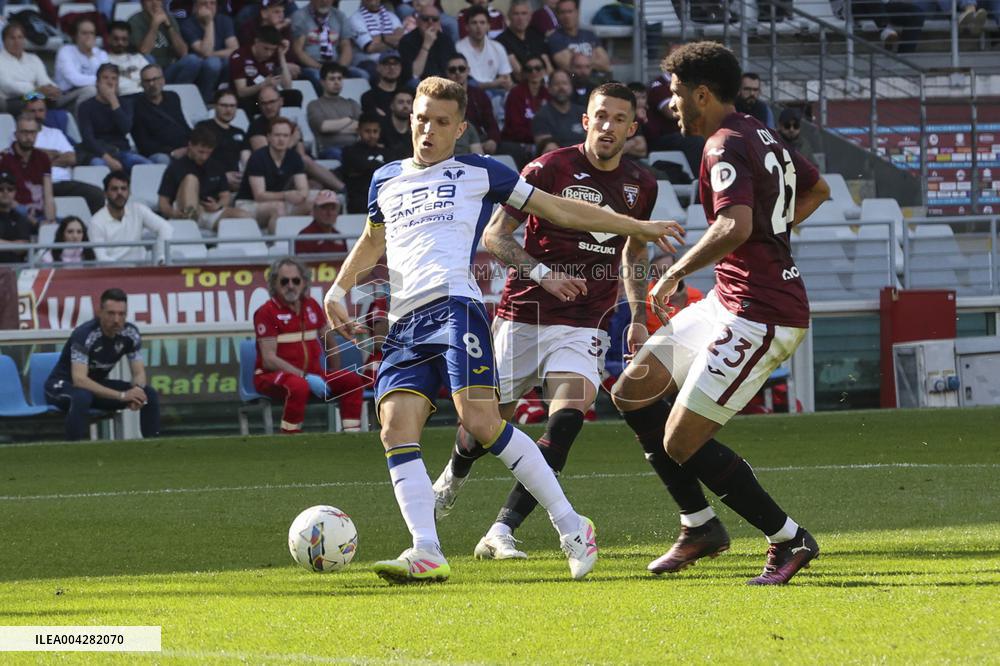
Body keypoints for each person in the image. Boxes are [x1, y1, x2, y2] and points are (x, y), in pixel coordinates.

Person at [321, 75, 683, 584]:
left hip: (455, 307)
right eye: (421, 119)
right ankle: (426, 549)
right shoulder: (385, 179)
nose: (428, 130)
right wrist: (338, 288)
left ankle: (571, 525)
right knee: (394, 427)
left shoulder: (478, 171)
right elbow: (370, 240)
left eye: (441, 122)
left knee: (482, 422)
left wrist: (637, 227)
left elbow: (557, 208)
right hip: (405, 320)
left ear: (460, 128)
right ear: (410, 119)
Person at [609, 41, 830, 585]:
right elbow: (817, 188)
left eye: (677, 95)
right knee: (633, 391)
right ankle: (700, 525)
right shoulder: (759, 129)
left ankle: (788, 538)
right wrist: (769, 237)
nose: (671, 106)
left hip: (761, 312)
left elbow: (732, 226)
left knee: (681, 440)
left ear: (701, 94)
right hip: (729, 299)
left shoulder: (723, 143)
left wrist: (673, 271)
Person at [431, 82, 658, 560]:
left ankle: (501, 530)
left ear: (632, 128)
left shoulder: (643, 184)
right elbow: (496, 237)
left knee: (567, 422)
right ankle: (455, 471)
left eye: (619, 119)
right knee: (481, 427)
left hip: (585, 323)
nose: (607, 126)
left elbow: (635, 252)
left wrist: (638, 315)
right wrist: (545, 274)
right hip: (525, 315)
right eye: (600, 115)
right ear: (585, 120)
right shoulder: (549, 167)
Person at [254, 256, 370, 433]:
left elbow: (330, 343)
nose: (290, 285)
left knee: (352, 381)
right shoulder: (266, 312)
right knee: (298, 386)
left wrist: (333, 373)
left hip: (312, 374)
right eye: (284, 281)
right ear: (274, 284)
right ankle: (290, 437)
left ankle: (352, 434)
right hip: (271, 377)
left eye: (296, 280)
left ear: (304, 282)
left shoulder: (311, 305)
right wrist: (305, 377)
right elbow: (269, 359)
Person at [44, 288, 161, 442]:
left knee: (148, 394)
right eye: (111, 313)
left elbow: (138, 372)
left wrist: (137, 393)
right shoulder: (85, 334)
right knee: (82, 396)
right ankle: (73, 450)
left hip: (95, 389)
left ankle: (153, 448)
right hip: (62, 386)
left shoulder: (131, 334)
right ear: (100, 312)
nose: (117, 320)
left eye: (121, 314)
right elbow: (80, 380)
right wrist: (123, 396)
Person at [246, 85, 343, 193]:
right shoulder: (256, 126)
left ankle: (343, 194)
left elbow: (300, 155)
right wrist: (291, 141)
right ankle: (344, 189)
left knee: (315, 186)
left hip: (292, 172)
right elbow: (266, 158)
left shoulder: (290, 125)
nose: (268, 107)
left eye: (272, 102)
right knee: (305, 162)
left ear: (281, 101)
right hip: (271, 176)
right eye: (264, 103)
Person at [22, 93, 105, 213]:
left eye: (41, 110)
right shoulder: (19, 134)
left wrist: (41, 159)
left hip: (62, 183)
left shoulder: (55, 133)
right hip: (36, 185)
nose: (37, 114)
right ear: (25, 112)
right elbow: (24, 158)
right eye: (33, 111)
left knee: (96, 194)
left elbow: (71, 158)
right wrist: (54, 155)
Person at [157, 124, 241, 229]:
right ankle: (190, 225)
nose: (204, 157)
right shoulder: (175, 167)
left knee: (244, 216)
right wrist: (173, 213)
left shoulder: (216, 166)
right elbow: (163, 202)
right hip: (183, 211)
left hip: (210, 211)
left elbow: (225, 195)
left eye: (208, 153)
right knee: (191, 180)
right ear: (190, 145)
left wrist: (218, 205)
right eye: (200, 152)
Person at [236, 116, 311, 232]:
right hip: (248, 204)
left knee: (317, 201)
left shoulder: (294, 157)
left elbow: (303, 189)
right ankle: (277, 246)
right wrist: (286, 196)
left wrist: (301, 196)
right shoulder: (258, 157)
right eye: (277, 135)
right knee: (278, 208)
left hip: (279, 201)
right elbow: (259, 195)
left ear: (290, 138)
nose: (281, 139)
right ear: (269, 137)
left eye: (285, 136)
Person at [129, 0, 215, 98]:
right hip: (150, 71)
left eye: (157, 0)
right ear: (142, 3)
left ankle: (180, 94)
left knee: (193, 60)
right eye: (149, 0)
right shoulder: (135, 21)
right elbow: (144, 51)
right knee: (148, 58)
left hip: (170, 69)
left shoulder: (169, 18)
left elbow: (183, 52)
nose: (154, 3)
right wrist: (154, 25)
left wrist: (169, 26)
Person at [79, 64, 153, 173]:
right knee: (98, 165)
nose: (110, 82)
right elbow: (88, 139)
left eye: (114, 78)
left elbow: (125, 128)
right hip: (98, 153)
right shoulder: (85, 106)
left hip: (122, 151)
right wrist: (108, 159)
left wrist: (113, 100)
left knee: (146, 165)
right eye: (105, 78)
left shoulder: (125, 103)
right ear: (97, 83)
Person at [89, 170, 174, 262]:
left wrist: (161, 256)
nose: (120, 193)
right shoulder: (96, 222)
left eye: (124, 188)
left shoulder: (138, 210)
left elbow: (165, 228)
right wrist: (125, 270)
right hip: (112, 273)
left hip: (140, 269)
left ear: (129, 192)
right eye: (114, 189)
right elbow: (102, 258)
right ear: (105, 194)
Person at [229, 25, 297, 116]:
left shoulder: (274, 55)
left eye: (272, 50)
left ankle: (284, 125)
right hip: (254, 101)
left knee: (294, 96)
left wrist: (281, 55)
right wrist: (264, 85)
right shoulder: (240, 56)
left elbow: (287, 86)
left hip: (271, 98)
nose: (269, 53)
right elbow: (241, 92)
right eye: (266, 48)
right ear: (257, 41)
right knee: (249, 104)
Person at [0, 115, 55, 227]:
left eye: (32, 133)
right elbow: (5, 198)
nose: (29, 137)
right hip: (14, 217)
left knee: (68, 225)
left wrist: (50, 222)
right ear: (16, 134)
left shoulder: (43, 157)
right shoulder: (4, 159)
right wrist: (35, 222)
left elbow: (48, 196)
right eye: (24, 132)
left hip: (40, 216)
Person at [291, 0, 357, 92]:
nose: (325, 2)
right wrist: (321, 68)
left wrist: (341, 68)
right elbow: (298, 50)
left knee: (361, 75)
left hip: (335, 64)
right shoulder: (300, 16)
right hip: (311, 66)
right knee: (318, 77)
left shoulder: (339, 16)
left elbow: (346, 45)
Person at [132, 64, 192, 164]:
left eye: (155, 79)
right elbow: (143, 143)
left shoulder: (172, 97)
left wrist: (192, 145)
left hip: (184, 146)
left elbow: (182, 125)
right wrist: (172, 152)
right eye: (147, 81)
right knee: (162, 159)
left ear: (163, 80)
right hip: (160, 153)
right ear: (141, 84)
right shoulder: (136, 106)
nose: (152, 84)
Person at [0, 22, 63, 115]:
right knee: (32, 101)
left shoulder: (33, 58)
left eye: (20, 37)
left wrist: (52, 88)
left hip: (35, 94)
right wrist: (36, 90)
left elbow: (44, 79)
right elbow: (8, 86)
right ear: (4, 41)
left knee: (52, 97)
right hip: (13, 99)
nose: (17, 41)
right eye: (12, 38)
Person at [445, 53, 499, 154]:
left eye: (461, 69)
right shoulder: (442, 98)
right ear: (447, 73)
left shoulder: (479, 95)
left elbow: (490, 122)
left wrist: (492, 140)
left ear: (468, 70)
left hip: (480, 141)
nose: (457, 73)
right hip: (454, 142)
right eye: (453, 70)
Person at [181, 0, 238, 96]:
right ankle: (205, 99)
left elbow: (234, 50)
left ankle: (222, 95)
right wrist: (209, 23)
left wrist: (212, 54)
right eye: (204, 3)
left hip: (219, 64)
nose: (209, 7)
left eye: (212, 3)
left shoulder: (224, 20)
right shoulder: (187, 24)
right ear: (195, 7)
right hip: (198, 68)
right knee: (213, 63)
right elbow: (205, 51)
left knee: (230, 61)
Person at [498, 54, 548, 163]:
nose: (534, 72)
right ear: (524, 73)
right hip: (517, 141)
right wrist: (538, 137)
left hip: (542, 140)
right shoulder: (515, 93)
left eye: (538, 68)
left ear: (544, 71)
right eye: (529, 69)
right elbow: (514, 127)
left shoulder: (548, 93)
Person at [194, 89, 246, 191]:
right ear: (215, 106)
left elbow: (246, 159)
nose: (228, 110)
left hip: (235, 182)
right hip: (209, 181)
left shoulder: (239, 132)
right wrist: (222, 176)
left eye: (232, 106)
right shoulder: (203, 127)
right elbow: (198, 159)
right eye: (224, 105)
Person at [307, 63, 362, 160]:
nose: (337, 82)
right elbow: (324, 127)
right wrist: (348, 120)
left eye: (339, 79)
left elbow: (362, 126)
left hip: (355, 148)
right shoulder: (314, 105)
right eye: (332, 79)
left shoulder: (352, 103)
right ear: (322, 82)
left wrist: (335, 128)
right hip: (329, 149)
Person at [54, 17, 107, 112]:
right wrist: (102, 80)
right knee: (91, 90)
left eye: (92, 33)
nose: (88, 37)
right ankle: (83, 125)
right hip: (65, 95)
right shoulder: (65, 51)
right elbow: (75, 80)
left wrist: (90, 55)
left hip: (95, 91)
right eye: (84, 33)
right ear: (75, 36)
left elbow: (106, 75)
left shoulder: (101, 53)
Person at [455, 6, 512, 94]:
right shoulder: (458, 49)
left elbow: (506, 78)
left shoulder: (497, 47)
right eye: (474, 23)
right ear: (467, 27)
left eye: (482, 23)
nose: (478, 27)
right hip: (469, 93)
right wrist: (494, 84)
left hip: (496, 93)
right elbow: (463, 83)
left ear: (489, 26)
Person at [397, 3, 455, 84]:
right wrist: (426, 44)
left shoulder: (446, 40)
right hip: (421, 84)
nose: (430, 22)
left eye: (434, 19)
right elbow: (414, 74)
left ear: (439, 22)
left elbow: (453, 67)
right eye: (425, 19)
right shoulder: (406, 41)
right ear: (417, 21)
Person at [496, 0, 553, 82]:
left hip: (545, 84)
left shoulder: (537, 35)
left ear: (530, 16)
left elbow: (549, 66)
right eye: (516, 14)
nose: (520, 18)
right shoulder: (501, 41)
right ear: (509, 16)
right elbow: (519, 73)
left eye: (524, 13)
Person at [548, 0, 610, 74]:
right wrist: (592, 59)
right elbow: (568, 66)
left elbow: (606, 65)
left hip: (598, 80)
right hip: (574, 82)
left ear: (577, 12)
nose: (567, 16)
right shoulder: (555, 38)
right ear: (557, 15)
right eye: (562, 12)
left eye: (570, 11)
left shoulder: (589, 35)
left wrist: (576, 59)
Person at [339, 114, 386, 213]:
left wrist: (367, 167)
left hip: (384, 200)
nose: (372, 135)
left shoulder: (388, 152)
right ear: (359, 131)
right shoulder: (349, 151)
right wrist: (378, 166)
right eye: (367, 131)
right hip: (359, 201)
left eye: (375, 131)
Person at [532, 69, 586, 154]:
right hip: (558, 161)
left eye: (565, 83)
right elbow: (546, 149)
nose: (561, 88)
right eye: (556, 84)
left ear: (571, 87)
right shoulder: (542, 116)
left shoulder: (582, 112)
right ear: (549, 88)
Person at [349, 0, 404, 78]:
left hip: (393, 58)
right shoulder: (355, 19)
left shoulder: (391, 16)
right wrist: (392, 40)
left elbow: (402, 40)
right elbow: (370, 47)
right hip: (369, 61)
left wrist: (382, 38)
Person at [106, 21, 150, 98]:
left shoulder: (138, 58)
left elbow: (150, 77)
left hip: (143, 97)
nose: (120, 43)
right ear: (109, 38)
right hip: (120, 99)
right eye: (116, 39)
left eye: (124, 39)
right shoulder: (102, 59)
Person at [294, 189, 347, 253]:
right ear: (314, 210)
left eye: (333, 208)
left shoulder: (340, 236)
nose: (329, 213)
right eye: (324, 208)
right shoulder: (304, 237)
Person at [360, 52, 407, 119]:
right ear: (378, 67)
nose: (392, 67)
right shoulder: (368, 97)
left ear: (400, 67)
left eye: (395, 63)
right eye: (386, 64)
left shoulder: (409, 94)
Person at [0, 170, 33, 264]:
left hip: (16, 271)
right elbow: (18, 247)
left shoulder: (21, 218)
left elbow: (23, 248)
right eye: (1, 189)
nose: (5, 192)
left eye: (10, 189)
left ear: (14, 192)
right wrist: (13, 245)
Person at [379, 88, 413, 161]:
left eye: (409, 102)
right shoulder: (381, 127)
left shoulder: (417, 127)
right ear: (392, 105)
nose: (405, 106)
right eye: (401, 102)